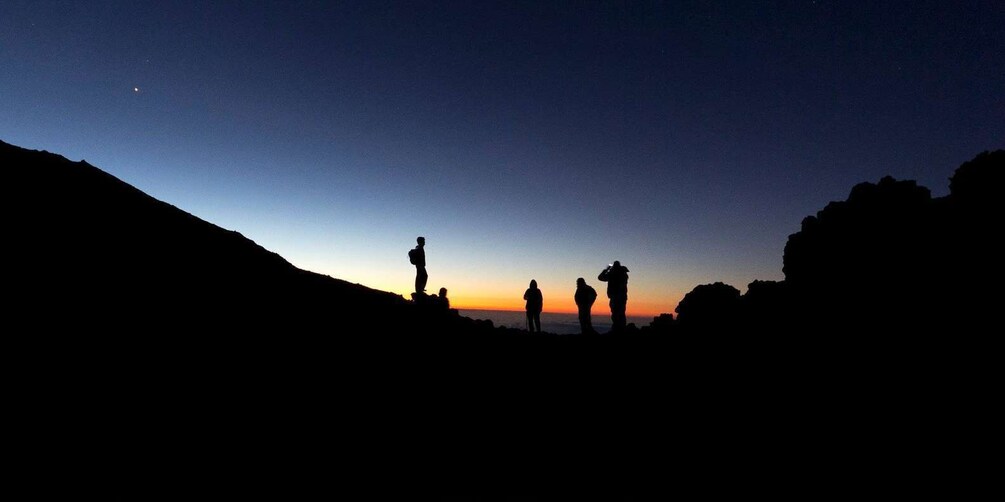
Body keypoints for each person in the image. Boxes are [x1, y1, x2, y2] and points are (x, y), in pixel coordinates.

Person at [598, 261, 629, 332]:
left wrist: (606, 270)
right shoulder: (623, 273)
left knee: (616, 313)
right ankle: (620, 328)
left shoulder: (613, 274)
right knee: (620, 313)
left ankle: (617, 329)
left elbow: (600, 278)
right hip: (621, 296)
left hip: (616, 296)